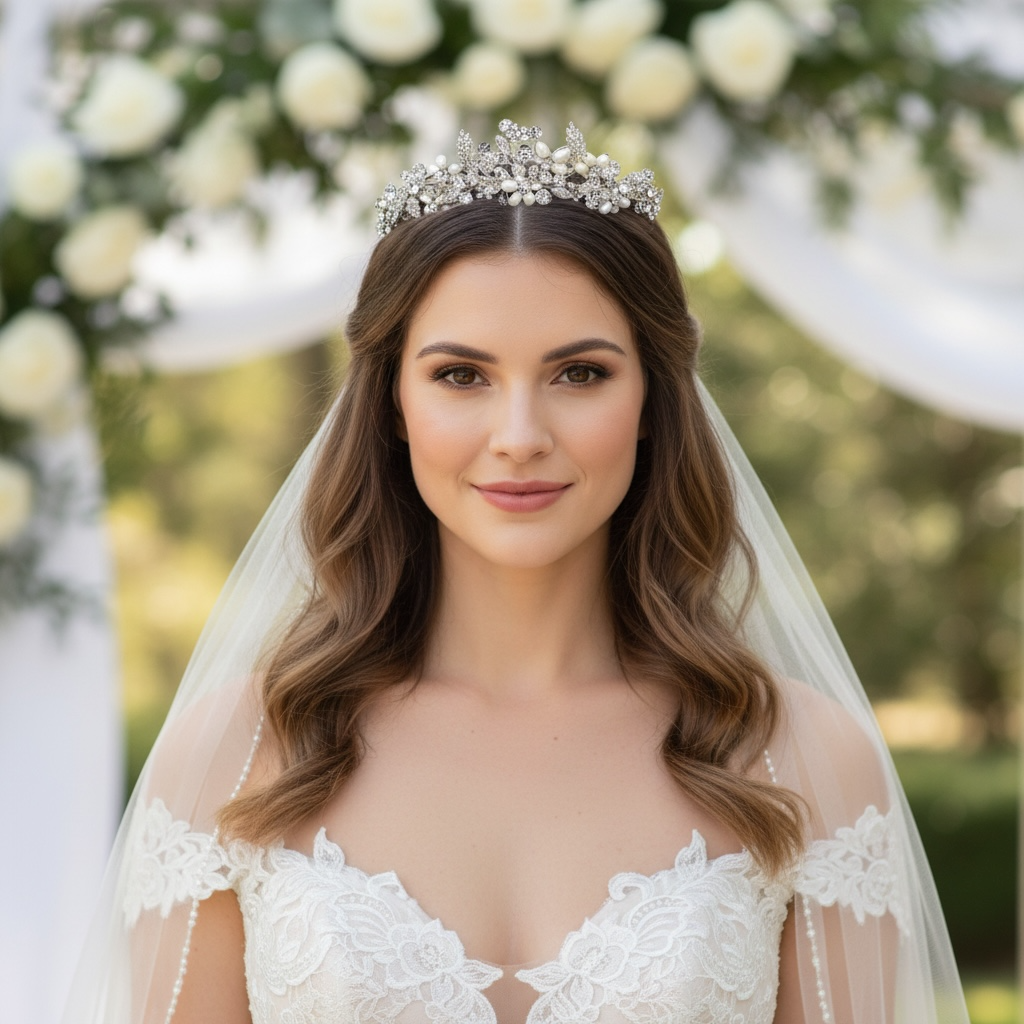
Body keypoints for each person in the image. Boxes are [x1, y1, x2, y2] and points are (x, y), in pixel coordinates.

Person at [64, 121, 968, 1024]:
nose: (521, 435)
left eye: (579, 374)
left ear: (653, 399)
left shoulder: (803, 762)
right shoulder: (232, 759)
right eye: (462, 376)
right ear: (392, 405)